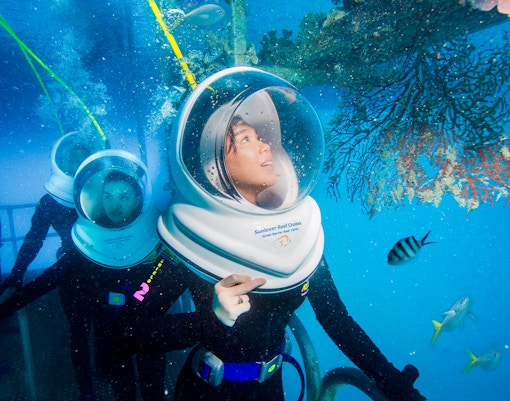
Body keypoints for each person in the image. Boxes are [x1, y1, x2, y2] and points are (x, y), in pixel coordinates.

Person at [112, 67, 426, 401]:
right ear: (213, 165)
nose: (265, 146)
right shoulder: (192, 241)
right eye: (246, 139)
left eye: (261, 137)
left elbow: (337, 320)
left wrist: (390, 379)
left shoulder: (296, 236)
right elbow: (126, 334)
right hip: (207, 392)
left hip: (271, 389)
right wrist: (209, 320)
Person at [0, 150, 166, 401]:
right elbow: (48, 279)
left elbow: (182, 273)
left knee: (153, 387)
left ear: (139, 198)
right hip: (114, 330)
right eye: (108, 196)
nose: (115, 205)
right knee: (124, 389)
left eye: (124, 196)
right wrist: (8, 303)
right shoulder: (90, 242)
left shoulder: (158, 233)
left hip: (148, 328)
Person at [0, 131, 103, 302]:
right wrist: (17, 272)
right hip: (71, 266)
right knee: (78, 319)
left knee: (103, 318)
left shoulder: (105, 194)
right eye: (74, 160)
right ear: (63, 164)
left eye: (83, 160)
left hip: (102, 264)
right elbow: (34, 237)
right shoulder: (50, 202)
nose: (78, 165)